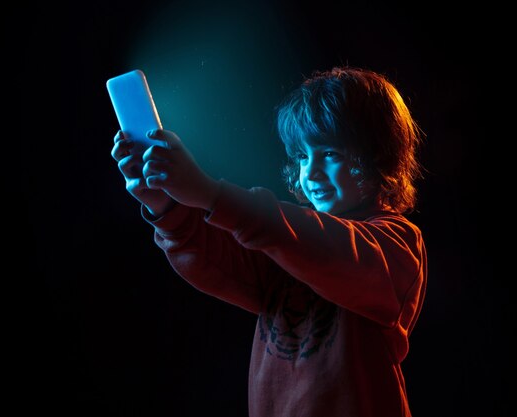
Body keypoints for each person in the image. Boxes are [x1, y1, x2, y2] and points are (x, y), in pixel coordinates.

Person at [111, 66, 427, 417]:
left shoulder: (397, 243)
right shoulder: (285, 243)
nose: (311, 173)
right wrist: (164, 204)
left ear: (379, 157)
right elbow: (215, 256)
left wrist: (208, 192)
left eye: (331, 154)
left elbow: (326, 246)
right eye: (303, 156)